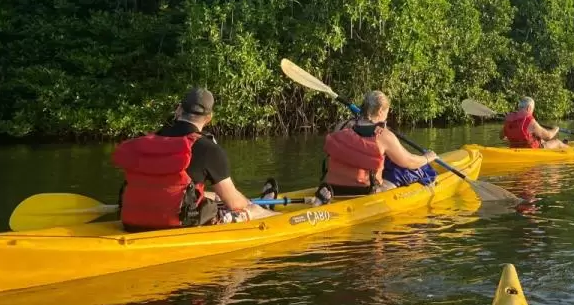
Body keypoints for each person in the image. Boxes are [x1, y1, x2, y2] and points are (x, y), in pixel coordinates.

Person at [112, 88, 276, 232]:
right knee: (249, 208)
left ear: (179, 109)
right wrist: (247, 203)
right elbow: (234, 203)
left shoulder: (148, 142)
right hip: (179, 224)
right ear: (209, 117)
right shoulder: (209, 149)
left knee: (215, 197)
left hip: (132, 222)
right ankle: (274, 215)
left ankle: (264, 204)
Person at [315, 90, 439, 203]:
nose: (386, 117)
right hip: (364, 193)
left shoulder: (341, 126)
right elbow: (409, 161)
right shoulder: (384, 136)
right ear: (380, 111)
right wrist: (427, 158)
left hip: (332, 189)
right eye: (387, 113)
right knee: (409, 171)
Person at [501, 96, 567, 150]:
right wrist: (555, 129)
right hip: (533, 150)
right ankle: (573, 151)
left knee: (540, 139)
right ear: (529, 108)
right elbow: (548, 136)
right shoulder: (531, 121)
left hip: (515, 148)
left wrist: (515, 139)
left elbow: (501, 136)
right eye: (533, 109)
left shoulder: (509, 119)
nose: (532, 112)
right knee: (557, 142)